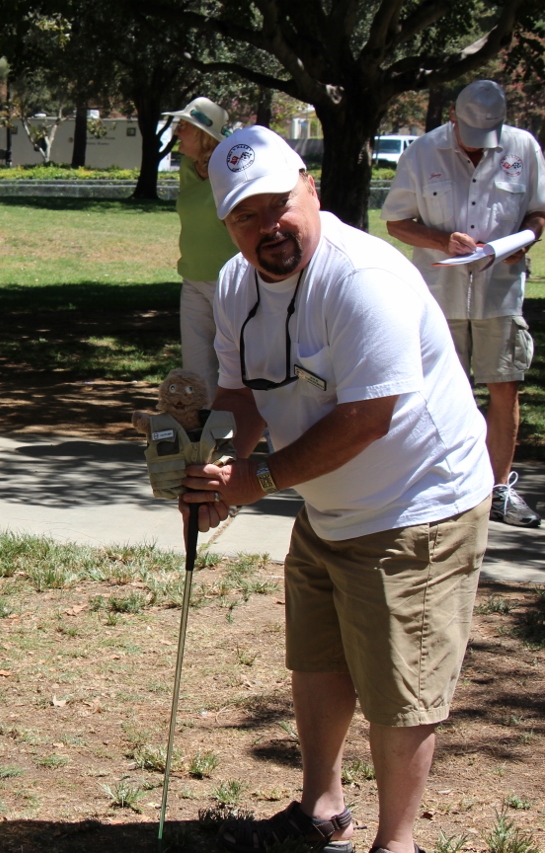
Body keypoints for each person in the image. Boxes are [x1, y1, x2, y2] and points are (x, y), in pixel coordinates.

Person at [181, 126, 492, 853]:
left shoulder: (363, 278)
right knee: (316, 654)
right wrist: (211, 471)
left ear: (310, 187)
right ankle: (322, 811)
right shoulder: (235, 284)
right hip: (327, 502)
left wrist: (255, 480)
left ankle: (398, 842)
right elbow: (241, 395)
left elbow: (366, 418)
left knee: (398, 681)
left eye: (277, 204)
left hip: (419, 503)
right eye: (244, 216)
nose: (268, 228)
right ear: (226, 224)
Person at [382, 79, 545, 528]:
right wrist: (440, 240)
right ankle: (441, 486)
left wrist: (524, 238)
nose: (476, 149)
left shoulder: (523, 148)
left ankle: (498, 490)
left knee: (504, 385)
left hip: (501, 290)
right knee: (435, 389)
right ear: (453, 116)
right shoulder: (422, 152)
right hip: (440, 293)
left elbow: (538, 212)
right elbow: (397, 222)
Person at [162, 96, 238, 399]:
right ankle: (203, 438)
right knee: (195, 370)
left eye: (184, 127)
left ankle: (265, 437)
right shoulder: (188, 168)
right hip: (193, 277)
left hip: (230, 282)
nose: (176, 132)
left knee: (243, 364)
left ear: (204, 135)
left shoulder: (232, 170)